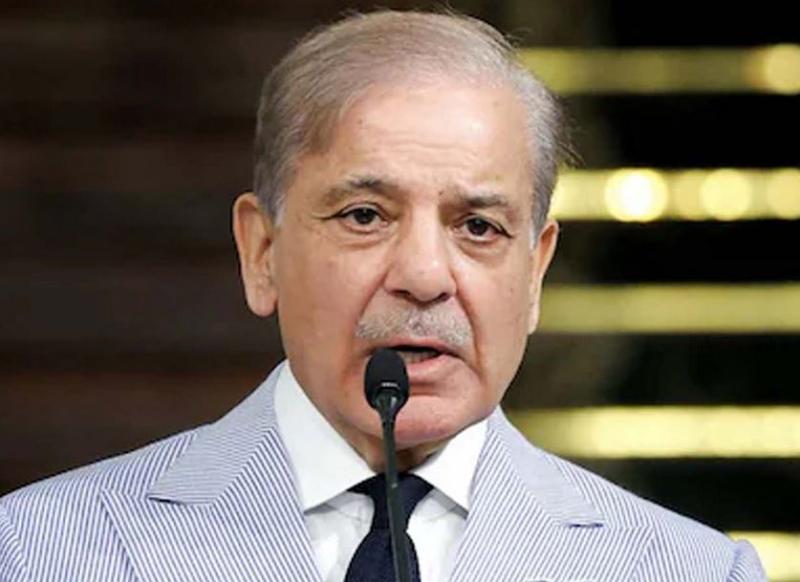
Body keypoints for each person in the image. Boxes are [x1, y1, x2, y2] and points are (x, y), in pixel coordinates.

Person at [0, 9, 766, 582]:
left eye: (478, 226)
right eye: (364, 216)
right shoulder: (39, 551)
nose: (425, 277)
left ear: (534, 275)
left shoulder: (693, 571)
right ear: (261, 253)